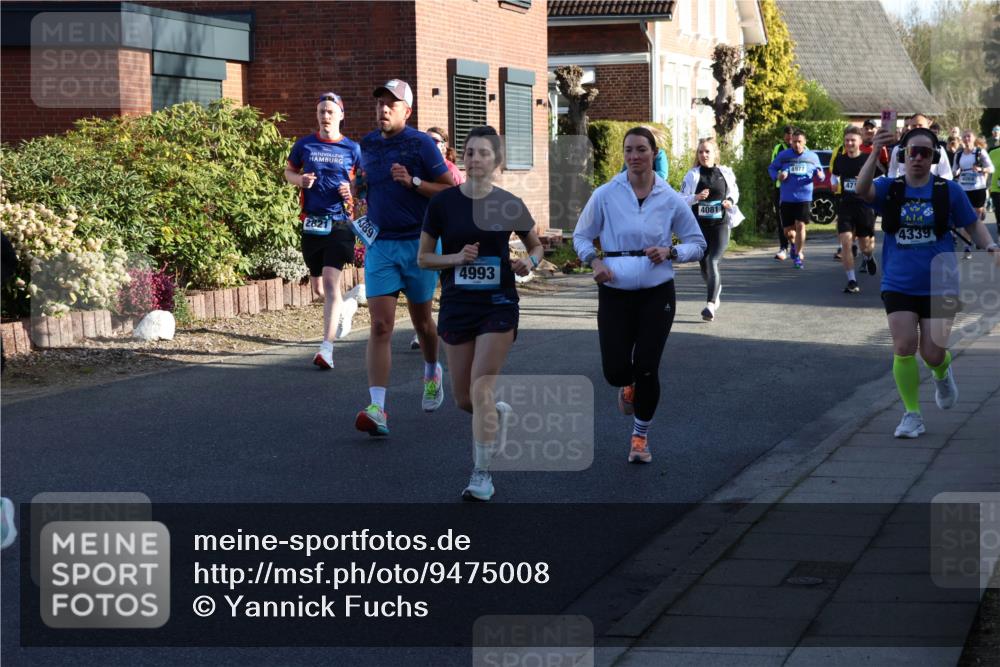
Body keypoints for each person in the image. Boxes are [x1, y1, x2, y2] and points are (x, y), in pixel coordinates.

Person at [418, 126, 543, 501]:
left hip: (498, 305)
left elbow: (536, 247)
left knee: (480, 386)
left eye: (482, 153)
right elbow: (423, 258)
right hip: (457, 305)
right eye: (469, 152)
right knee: (463, 399)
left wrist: (528, 262)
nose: (474, 159)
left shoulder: (509, 203)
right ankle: (496, 414)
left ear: (497, 161)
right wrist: (455, 258)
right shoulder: (442, 204)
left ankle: (482, 474)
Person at [856, 126, 1000, 438]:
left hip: (941, 282)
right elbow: (861, 190)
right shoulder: (889, 188)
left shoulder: (948, 191)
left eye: (925, 152)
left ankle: (941, 371)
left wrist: (990, 246)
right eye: (912, 152)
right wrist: (872, 153)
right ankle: (912, 415)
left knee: (932, 352)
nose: (918, 158)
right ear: (903, 156)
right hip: (898, 281)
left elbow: (973, 224)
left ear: (934, 157)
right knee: (904, 346)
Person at [574, 127, 706, 464]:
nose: (635, 156)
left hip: (656, 292)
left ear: (653, 153)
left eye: (641, 150)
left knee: (647, 366)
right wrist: (594, 261)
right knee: (616, 372)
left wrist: (671, 252)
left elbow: (698, 243)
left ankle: (640, 437)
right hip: (615, 291)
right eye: (629, 150)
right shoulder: (605, 194)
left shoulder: (670, 198)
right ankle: (626, 384)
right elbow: (581, 237)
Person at [355, 79, 457, 436]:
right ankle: (377, 408)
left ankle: (432, 370)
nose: (383, 109)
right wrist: (358, 189)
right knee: (380, 325)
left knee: (423, 324)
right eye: (380, 103)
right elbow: (366, 185)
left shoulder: (422, 145)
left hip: (420, 244)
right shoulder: (366, 145)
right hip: (381, 244)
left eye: (391, 104)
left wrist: (414, 182)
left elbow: (450, 190)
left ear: (407, 111)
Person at [284, 92, 362, 369]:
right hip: (312, 222)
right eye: (321, 112)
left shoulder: (353, 149)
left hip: (341, 222)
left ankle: (326, 349)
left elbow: (364, 186)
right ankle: (347, 307)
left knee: (330, 283)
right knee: (318, 288)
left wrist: (351, 191)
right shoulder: (304, 145)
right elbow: (288, 172)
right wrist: (299, 180)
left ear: (341, 115)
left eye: (330, 111)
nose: (325, 116)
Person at [410, 126, 465, 352]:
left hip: (450, 231)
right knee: (428, 283)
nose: (431, 145)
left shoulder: (452, 171)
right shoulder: (421, 168)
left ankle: (451, 323)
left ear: (445, 145)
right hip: (427, 230)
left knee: (447, 282)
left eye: (435, 141)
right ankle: (421, 330)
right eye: (427, 141)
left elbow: (462, 201)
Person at [679, 137, 743, 321]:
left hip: (720, 225)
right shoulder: (692, 175)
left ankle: (710, 305)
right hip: (699, 227)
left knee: (713, 261)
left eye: (707, 151)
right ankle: (716, 288)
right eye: (700, 152)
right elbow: (680, 198)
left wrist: (729, 202)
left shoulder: (725, 173)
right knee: (704, 265)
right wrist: (696, 197)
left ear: (715, 153)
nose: (703, 155)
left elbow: (734, 193)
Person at [767, 128, 823, 269]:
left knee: (801, 225)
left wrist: (820, 175)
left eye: (799, 142)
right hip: (787, 197)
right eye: (794, 142)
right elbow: (772, 168)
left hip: (804, 197)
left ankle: (798, 255)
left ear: (804, 142)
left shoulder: (812, 156)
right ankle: (793, 244)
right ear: (791, 142)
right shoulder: (783, 155)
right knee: (788, 232)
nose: (797, 145)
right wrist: (778, 176)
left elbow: (820, 172)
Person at [831, 126, 877, 293]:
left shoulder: (868, 159)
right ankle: (851, 280)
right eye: (847, 140)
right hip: (846, 206)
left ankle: (869, 256)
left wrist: (866, 181)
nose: (849, 143)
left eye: (852, 140)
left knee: (865, 246)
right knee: (846, 242)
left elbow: (881, 178)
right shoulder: (840, 159)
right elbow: (834, 174)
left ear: (860, 142)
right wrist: (834, 183)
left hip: (864, 206)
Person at [952, 130, 996, 258]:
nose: (966, 139)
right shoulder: (958, 154)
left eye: (968, 136)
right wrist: (956, 173)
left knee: (977, 218)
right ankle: (967, 247)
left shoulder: (979, 152)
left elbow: (991, 168)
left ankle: (979, 238)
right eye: (964, 136)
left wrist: (981, 169)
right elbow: (953, 170)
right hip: (963, 189)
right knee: (968, 219)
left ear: (973, 138)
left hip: (978, 188)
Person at [887, 114, 953, 180]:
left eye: (920, 125)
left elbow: (947, 175)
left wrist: (937, 188)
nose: (917, 128)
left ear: (927, 127)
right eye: (914, 126)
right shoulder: (898, 149)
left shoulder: (939, 149)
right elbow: (892, 172)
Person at [770, 125, 794, 260]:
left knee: (797, 221)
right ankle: (783, 247)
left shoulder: (801, 148)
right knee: (781, 219)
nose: (789, 137)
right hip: (781, 189)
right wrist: (780, 175)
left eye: (791, 134)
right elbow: (773, 166)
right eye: (787, 134)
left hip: (797, 190)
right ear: (784, 136)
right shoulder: (778, 148)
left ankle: (796, 246)